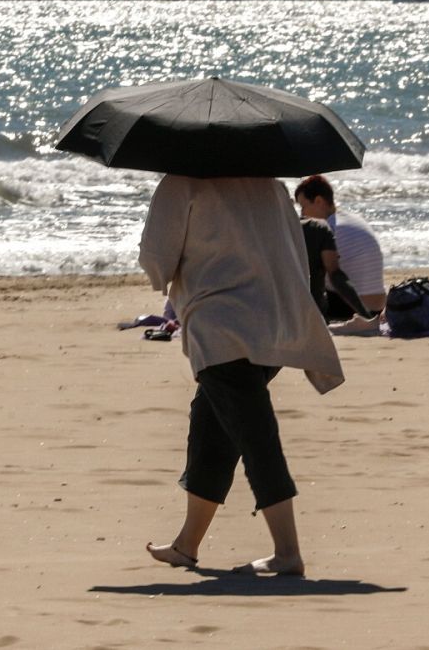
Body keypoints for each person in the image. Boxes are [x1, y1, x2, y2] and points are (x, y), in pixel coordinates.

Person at [138, 174, 343, 577]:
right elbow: (292, 251)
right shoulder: (269, 183)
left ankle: (287, 552)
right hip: (274, 324)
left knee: (255, 439)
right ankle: (186, 545)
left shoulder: (183, 182)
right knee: (211, 429)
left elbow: (156, 262)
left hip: (223, 330)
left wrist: (165, 271)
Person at [294, 175, 386, 327]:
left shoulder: (326, 229)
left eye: (303, 207)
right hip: (378, 305)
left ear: (318, 201)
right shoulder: (352, 219)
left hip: (355, 308)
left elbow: (323, 277)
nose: (302, 214)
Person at [298, 213, 372, 322]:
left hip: (273, 313)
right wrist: (365, 315)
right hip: (314, 314)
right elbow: (335, 274)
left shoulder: (266, 231)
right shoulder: (318, 228)